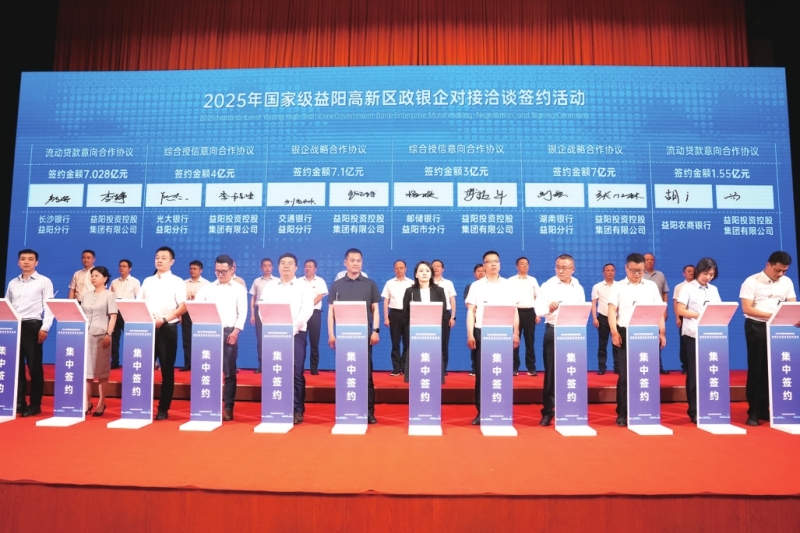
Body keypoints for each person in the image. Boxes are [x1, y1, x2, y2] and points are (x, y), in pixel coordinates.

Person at [608, 253, 666, 426]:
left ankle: (646, 410)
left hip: (647, 334)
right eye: (633, 270)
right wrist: (614, 332)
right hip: (625, 333)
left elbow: (659, 311)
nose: (637, 274)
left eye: (640, 271)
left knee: (646, 373)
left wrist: (662, 332)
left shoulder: (651, 286)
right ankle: (623, 412)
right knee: (625, 376)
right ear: (626, 268)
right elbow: (611, 311)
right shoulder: (617, 287)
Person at [739, 250, 796, 426]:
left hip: (779, 327)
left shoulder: (787, 282)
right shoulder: (752, 281)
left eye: (784, 271)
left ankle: (765, 408)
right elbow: (747, 308)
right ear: (768, 265)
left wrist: (794, 317)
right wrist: (773, 315)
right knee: (757, 369)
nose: (781, 274)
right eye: (778, 270)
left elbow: (792, 303)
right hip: (757, 327)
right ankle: (753, 412)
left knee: (773, 370)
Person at [465, 251, 520, 425]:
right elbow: (471, 311)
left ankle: (502, 409)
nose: (493, 264)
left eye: (496, 261)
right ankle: (482, 411)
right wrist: (470, 333)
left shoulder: (508, 285)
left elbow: (514, 311)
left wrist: (516, 332)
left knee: (502, 372)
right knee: (482, 374)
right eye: (489, 262)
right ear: (484, 265)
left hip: (503, 333)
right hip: (482, 332)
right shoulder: (477, 286)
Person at [328, 248, 381, 424]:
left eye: (358, 260)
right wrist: (331, 334)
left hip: (364, 336)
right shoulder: (336, 285)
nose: (355, 263)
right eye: (352, 260)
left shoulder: (370, 284)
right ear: (345, 262)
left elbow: (375, 309)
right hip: (344, 337)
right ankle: (346, 408)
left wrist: (375, 330)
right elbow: (331, 312)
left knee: (366, 374)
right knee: (346, 373)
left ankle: (368, 411)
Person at [260, 253, 314, 424]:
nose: (286, 266)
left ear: (296, 267)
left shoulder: (303, 287)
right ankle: (277, 406)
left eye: (290, 263)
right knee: (276, 371)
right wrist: (271, 327)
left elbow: (307, 310)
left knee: (296, 372)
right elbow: (262, 309)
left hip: (296, 334)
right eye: (283, 263)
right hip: (274, 334)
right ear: (278, 267)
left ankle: (297, 410)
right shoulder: (270, 286)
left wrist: (292, 328)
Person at [194, 254, 248, 421]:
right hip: (209, 333)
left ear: (232, 269)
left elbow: (242, 312)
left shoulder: (239, 288)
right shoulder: (208, 288)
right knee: (208, 371)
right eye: (217, 271)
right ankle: (209, 404)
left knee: (229, 372)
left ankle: (228, 408)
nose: (220, 274)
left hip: (228, 332)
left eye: (224, 271)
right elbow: (197, 308)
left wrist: (236, 332)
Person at [534, 254, 586, 426]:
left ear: (573, 269)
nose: (561, 271)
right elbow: (538, 309)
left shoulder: (578, 287)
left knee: (572, 371)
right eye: (558, 267)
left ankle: (571, 408)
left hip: (573, 332)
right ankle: (548, 411)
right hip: (554, 330)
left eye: (564, 267)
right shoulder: (548, 285)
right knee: (551, 373)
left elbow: (582, 309)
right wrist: (548, 308)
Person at [137, 246, 187, 420]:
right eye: (157, 257)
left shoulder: (177, 282)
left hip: (167, 329)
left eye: (163, 258)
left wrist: (165, 319)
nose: (159, 260)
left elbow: (183, 306)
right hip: (147, 328)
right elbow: (139, 303)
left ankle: (163, 408)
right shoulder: (148, 281)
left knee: (166, 370)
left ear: (172, 261)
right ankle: (141, 406)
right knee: (143, 368)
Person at [5, 249, 54, 417]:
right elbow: (7, 306)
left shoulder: (44, 281)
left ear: (36, 262)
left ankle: (35, 404)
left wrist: (45, 327)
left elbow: (49, 306)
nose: (26, 262)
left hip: (33, 326)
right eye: (23, 259)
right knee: (16, 367)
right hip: (14, 327)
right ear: (18, 262)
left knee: (34, 368)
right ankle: (19, 402)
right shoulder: (13, 283)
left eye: (30, 259)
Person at [676, 257, 720, 423]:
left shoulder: (713, 289)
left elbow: (718, 308)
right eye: (705, 274)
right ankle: (694, 410)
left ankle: (710, 406)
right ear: (698, 271)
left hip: (711, 335)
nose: (708, 277)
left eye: (711, 275)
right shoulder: (687, 288)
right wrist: (700, 315)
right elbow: (681, 309)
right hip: (693, 334)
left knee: (711, 372)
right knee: (694, 373)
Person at [402, 261, 449, 384]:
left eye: (427, 271)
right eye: (421, 271)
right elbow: (405, 314)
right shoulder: (410, 291)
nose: (424, 273)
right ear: (416, 274)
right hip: (415, 333)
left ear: (431, 274)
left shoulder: (439, 291)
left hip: (434, 333)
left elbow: (444, 313)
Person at [81, 266, 118, 417]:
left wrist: (109, 334)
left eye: (96, 275)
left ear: (105, 278)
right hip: (86, 335)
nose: (93, 278)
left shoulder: (110, 295)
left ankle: (101, 402)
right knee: (87, 372)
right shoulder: (86, 295)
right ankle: (87, 402)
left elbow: (113, 316)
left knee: (101, 372)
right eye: (92, 275)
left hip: (102, 336)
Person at [381, 260, 413, 376]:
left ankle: (405, 367)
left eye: (401, 268)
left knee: (407, 343)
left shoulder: (412, 283)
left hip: (408, 315)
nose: (399, 270)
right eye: (397, 268)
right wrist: (386, 317)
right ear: (394, 269)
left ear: (406, 269)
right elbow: (386, 301)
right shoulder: (389, 283)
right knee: (395, 343)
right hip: (394, 314)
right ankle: (396, 367)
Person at [510, 256, 540, 376]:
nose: (524, 266)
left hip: (530, 312)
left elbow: (537, 297)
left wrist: (537, 313)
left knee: (530, 341)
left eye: (526, 264)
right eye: (522, 264)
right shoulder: (511, 281)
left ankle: (531, 368)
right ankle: (514, 367)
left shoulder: (533, 280)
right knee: (514, 340)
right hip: (515, 312)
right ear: (516, 266)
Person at [109, 259, 140, 369]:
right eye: (120, 266)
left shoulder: (135, 282)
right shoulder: (114, 282)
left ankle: (131, 360)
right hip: (115, 311)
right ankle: (115, 361)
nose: (121, 268)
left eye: (124, 266)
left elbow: (139, 298)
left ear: (130, 268)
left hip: (128, 312)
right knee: (114, 337)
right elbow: (109, 297)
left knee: (130, 337)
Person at [643, 253, 671, 374]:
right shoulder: (638, 275)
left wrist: (665, 310)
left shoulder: (660, 275)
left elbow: (665, 293)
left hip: (657, 312)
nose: (649, 262)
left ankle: (658, 366)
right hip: (642, 313)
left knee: (658, 339)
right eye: (647, 260)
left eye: (652, 260)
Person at [181, 260, 210, 372]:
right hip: (186, 313)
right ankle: (188, 364)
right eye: (191, 268)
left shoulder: (207, 284)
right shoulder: (184, 283)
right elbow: (180, 300)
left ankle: (200, 363)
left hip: (200, 314)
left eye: (195, 269)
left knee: (200, 340)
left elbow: (208, 301)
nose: (192, 271)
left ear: (200, 270)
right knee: (187, 339)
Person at [300, 259, 328, 375]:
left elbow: (320, 296)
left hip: (315, 313)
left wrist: (308, 306)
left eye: (310, 266)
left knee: (314, 342)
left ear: (315, 269)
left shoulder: (320, 281)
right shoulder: (299, 281)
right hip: (301, 314)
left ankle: (314, 368)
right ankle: (299, 367)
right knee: (301, 342)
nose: (308, 268)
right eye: (306, 266)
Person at [431, 259, 457, 375]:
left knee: (444, 343)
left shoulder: (448, 283)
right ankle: (431, 367)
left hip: (445, 314)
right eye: (434, 266)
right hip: (430, 314)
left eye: (438, 266)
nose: (436, 268)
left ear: (443, 269)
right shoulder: (426, 282)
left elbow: (452, 300)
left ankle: (442, 369)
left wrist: (453, 317)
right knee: (431, 343)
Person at [249, 258, 275, 374]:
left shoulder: (277, 281)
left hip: (273, 311)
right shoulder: (257, 281)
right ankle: (262, 365)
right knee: (260, 340)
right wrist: (252, 314)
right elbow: (253, 298)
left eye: (269, 265)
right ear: (261, 268)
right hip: (259, 310)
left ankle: (273, 364)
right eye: (265, 266)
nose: (267, 268)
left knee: (273, 339)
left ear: (272, 267)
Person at [591, 263, 618, 375]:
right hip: (602, 317)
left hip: (616, 318)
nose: (610, 272)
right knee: (602, 344)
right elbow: (594, 303)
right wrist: (594, 318)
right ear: (603, 272)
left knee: (617, 343)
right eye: (608, 270)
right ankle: (602, 367)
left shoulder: (619, 286)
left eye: (612, 270)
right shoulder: (597, 286)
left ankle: (618, 367)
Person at [672, 264, 695, 375]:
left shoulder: (699, 286)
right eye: (689, 271)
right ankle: (685, 366)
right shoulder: (679, 287)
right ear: (683, 273)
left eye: (693, 271)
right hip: (684, 315)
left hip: (697, 315)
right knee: (684, 342)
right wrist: (677, 317)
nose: (691, 273)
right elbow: (676, 303)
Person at [464, 263, 485, 376]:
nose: (481, 273)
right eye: (478, 271)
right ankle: (475, 368)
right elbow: (468, 304)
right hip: (475, 318)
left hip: (490, 320)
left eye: (483, 271)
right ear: (474, 274)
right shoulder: (471, 286)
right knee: (475, 344)